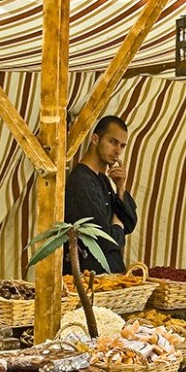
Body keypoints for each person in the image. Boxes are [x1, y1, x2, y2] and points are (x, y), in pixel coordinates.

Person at [63, 115, 138, 274]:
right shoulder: (81, 181)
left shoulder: (102, 179)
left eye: (122, 146)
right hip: (90, 280)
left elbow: (130, 222)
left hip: (110, 277)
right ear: (95, 139)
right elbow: (103, 238)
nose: (118, 151)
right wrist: (118, 226)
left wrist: (121, 188)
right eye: (112, 142)